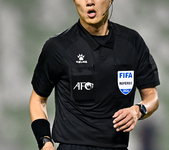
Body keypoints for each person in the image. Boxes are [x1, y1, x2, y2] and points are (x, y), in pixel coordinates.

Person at [29, 0, 160, 150]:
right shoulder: (58, 47)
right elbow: (38, 100)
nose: (89, 2)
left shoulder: (132, 42)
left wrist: (138, 110)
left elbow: (152, 95)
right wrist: (45, 143)